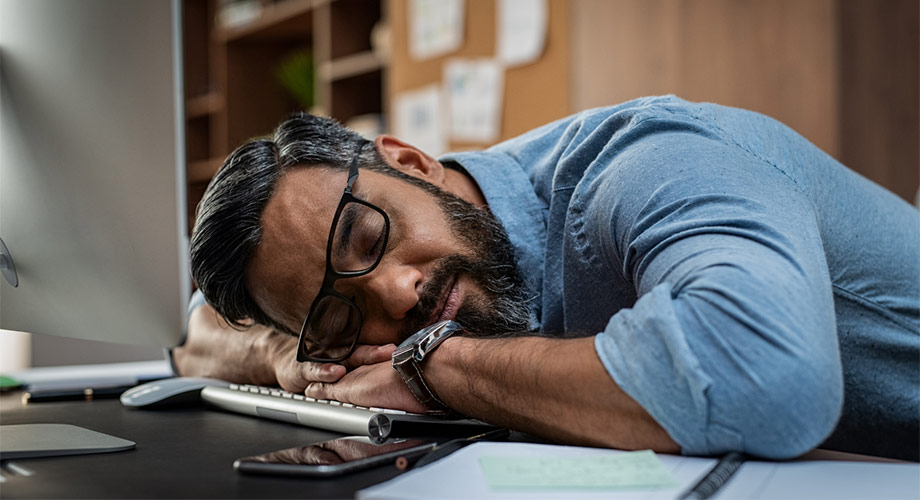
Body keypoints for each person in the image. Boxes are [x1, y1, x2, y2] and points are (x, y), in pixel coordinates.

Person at [176, 95, 919, 461]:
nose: (396, 295)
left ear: (408, 161)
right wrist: (286, 356)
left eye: (369, 236)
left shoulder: (640, 163)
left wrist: (436, 366)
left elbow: (766, 379)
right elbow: (201, 324)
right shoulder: (344, 300)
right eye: (340, 315)